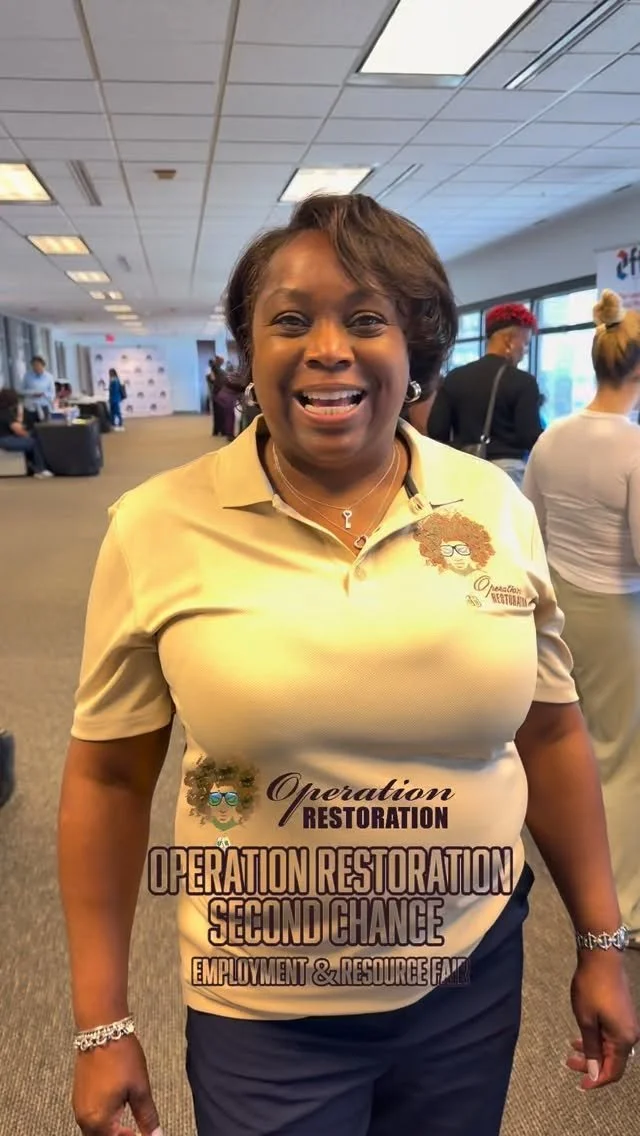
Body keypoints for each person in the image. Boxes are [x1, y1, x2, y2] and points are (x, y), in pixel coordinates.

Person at [59, 194, 638, 1136]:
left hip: (470, 978)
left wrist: (601, 939)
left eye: (366, 319)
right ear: (249, 352)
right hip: (264, 1006)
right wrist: (102, 1023)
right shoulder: (157, 525)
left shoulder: (493, 505)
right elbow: (108, 779)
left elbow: (549, 730)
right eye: (291, 320)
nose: (328, 349)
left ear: (416, 348)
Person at [523, 287, 640, 951]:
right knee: (621, 757)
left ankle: (570, 871)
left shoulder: (552, 437)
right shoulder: (634, 447)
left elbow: (531, 527)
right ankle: (622, 907)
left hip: (561, 603)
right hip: (619, 611)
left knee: (573, 740)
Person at [428, 303, 543, 486]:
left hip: (463, 468)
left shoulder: (455, 377)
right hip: (506, 474)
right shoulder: (524, 382)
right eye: (526, 343)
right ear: (509, 340)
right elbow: (529, 437)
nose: (525, 351)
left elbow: (436, 429)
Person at [0, 387, 53, 477]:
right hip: (5, 440)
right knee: (33, 443)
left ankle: (32, 465)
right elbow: (18, 430)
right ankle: (40, 469)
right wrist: (27, 433)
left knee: (32, 439)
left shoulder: (2, 412)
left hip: (4, 438)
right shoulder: (6, 413)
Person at [21, 355, 56, 428]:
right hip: (30, 407)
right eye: (34, 365)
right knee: (30, 428)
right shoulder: (27, 376)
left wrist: (43, 394)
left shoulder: (49, 377)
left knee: (45, 428)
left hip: (44, 406)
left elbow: (52, 393)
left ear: (43, 365)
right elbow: (21, 390)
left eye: (38, 365)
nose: (36, 367)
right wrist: (31, 393)